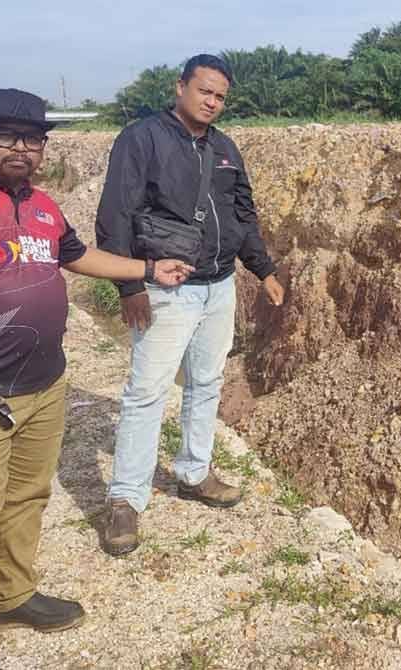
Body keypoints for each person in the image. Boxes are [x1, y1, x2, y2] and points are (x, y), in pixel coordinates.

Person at [0, 88, 193, 670]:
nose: (22, 149)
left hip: (43, 386)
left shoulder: (44, 206)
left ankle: (13, 594)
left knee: (27, 497)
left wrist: (148, 268)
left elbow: (77, 257)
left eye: (33, 138)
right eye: (6, 136)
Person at [95, 53, 285, 556]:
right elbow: (116, 214)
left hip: (218, 286)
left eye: (221, 96)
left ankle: (194, 471)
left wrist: (262, 269)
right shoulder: (142, 139)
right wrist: (130, 287)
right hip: (165, 287)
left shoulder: (225, 148)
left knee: (207, 382)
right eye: (204, 91)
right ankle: (125, 499)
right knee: (147, 391)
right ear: (180, 86)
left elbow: (242, 214)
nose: (212, 102)